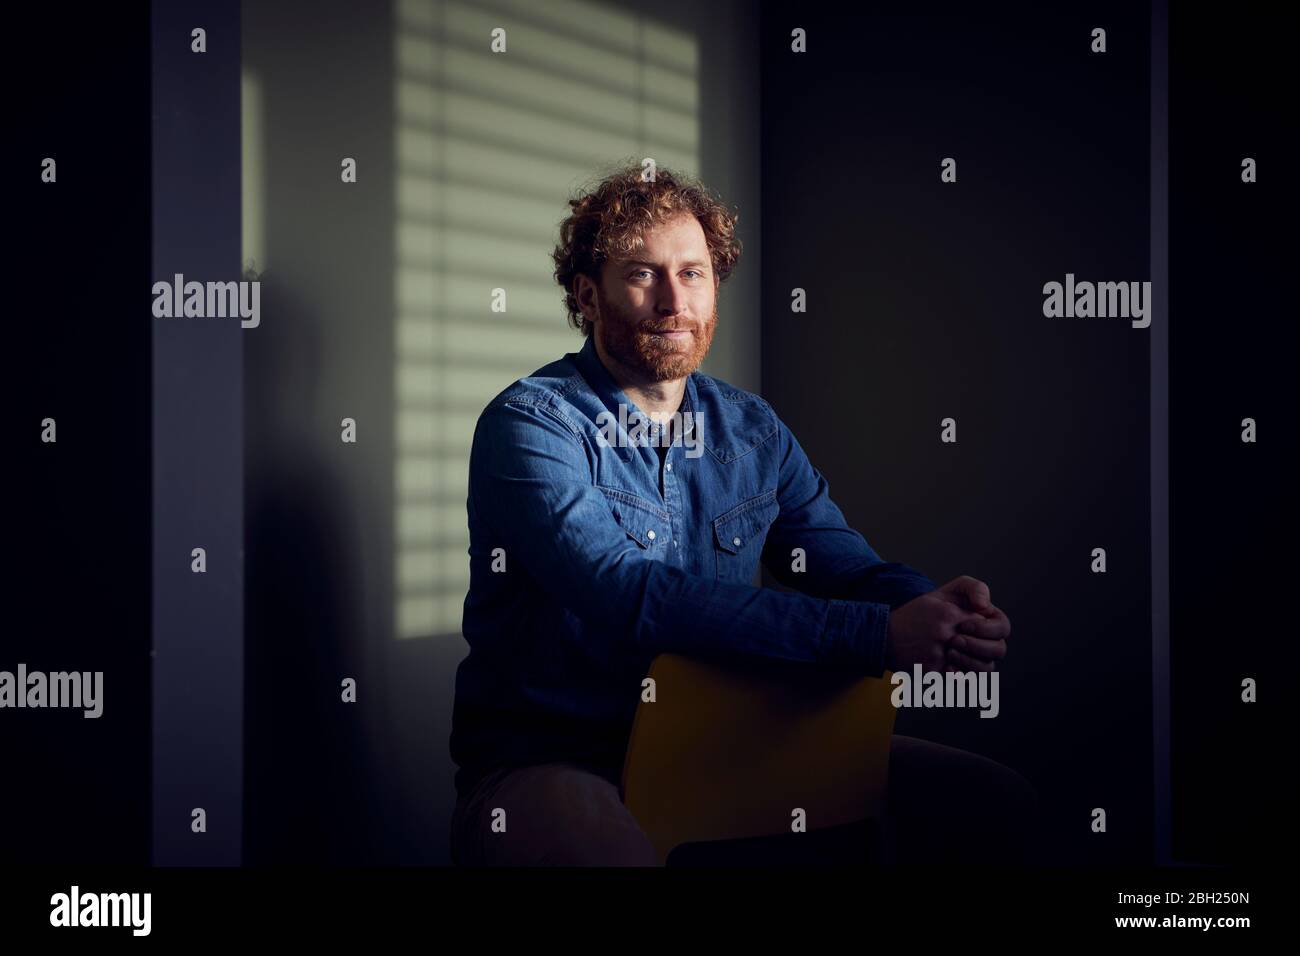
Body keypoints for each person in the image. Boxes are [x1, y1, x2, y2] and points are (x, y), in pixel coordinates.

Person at [448, 164, 1038, 866]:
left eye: (694, 274)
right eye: (642, 274)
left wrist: (934, 611)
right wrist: (879, 636)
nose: (674, 300)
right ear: (587, 295)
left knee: (995, 802)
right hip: (560, 756)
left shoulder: (752, 428)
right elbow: (625, 592)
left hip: (730, 737)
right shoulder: (530, 423)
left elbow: (845, 567)